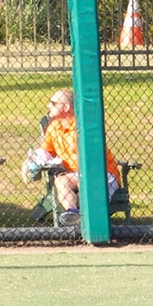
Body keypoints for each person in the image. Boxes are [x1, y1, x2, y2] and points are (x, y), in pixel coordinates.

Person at [40, 87, 121, 221]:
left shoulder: (83, 126)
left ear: (66, 107)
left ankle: (94, 219)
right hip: (75, 175)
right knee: (61, 180)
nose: (49, 106)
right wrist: (32, 162)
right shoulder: (53, 127)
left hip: (101, 173)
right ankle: (72, 212)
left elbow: (94, 158)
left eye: (53, 103)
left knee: (87, 183)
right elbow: (44, 152)